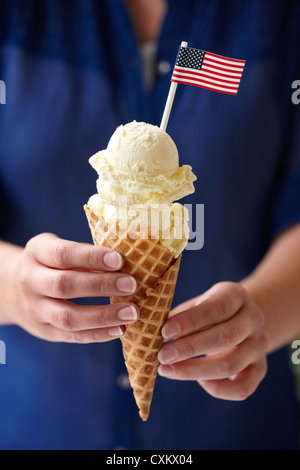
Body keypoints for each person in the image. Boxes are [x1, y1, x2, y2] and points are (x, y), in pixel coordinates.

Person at [0, 0, 300, 450]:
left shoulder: (278, 15)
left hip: (234, 429)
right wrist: (12, 285)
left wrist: (262, 312)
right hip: (40, 426)